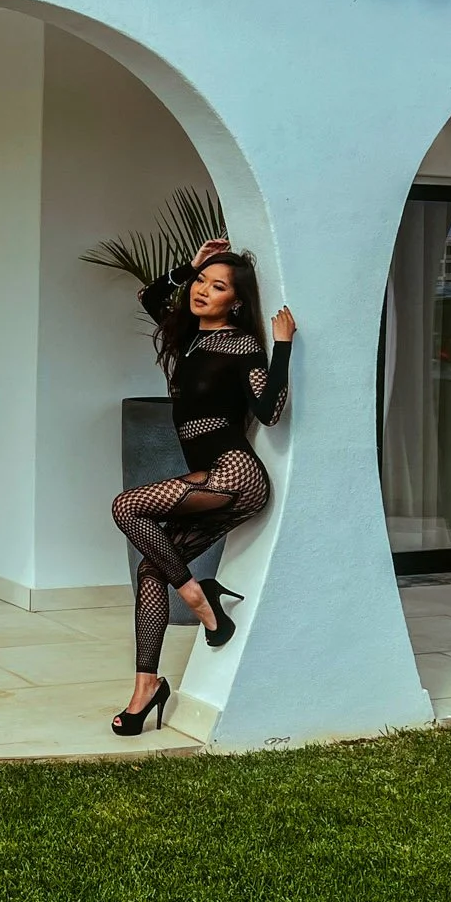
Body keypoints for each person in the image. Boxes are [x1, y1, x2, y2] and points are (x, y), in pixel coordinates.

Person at [108, 238, 294, 735]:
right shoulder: (188, 339)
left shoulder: (241, 344)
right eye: (200, 282)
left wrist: (283, 348)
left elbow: (270, 413)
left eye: (217, 286)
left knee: (127, 506)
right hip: (207, 476)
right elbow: (151, 298)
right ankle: (147, 686)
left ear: (235, 300)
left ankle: (197, 599)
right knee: (152, 568)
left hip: (235, 475)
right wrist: (188, 266)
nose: (202, 291)